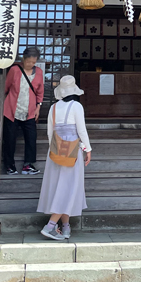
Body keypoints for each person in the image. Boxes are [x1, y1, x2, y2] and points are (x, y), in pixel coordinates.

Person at [38, 75, 92, 240]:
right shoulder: (77, 106)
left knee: (60, 187)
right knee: (69, 189)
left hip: (55, 152)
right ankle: (50, 226)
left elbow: (49, 132)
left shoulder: (53, 108)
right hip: (72, 152)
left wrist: (54, 149)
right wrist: (87, 148)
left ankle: (66, 227)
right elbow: (81, 131)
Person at [2, 47, 45, 175]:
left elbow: (40, 92)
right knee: (9, 138)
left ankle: (28, 165)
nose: (31, 64)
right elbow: (5, 87)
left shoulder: (39, 72)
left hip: (30, 111)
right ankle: (9, 165)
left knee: (31, 138)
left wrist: (38, 107)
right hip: (12, 110)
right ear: (24, 59)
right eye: (29, 61)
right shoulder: (15, 70)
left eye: (34, 62)